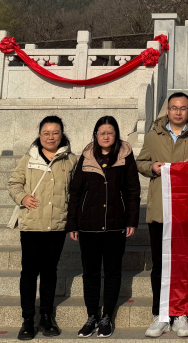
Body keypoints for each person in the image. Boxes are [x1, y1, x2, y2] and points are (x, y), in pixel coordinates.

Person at [138, 92, 188, 338]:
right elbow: (141, 162)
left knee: (183, 263)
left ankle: (180, 313)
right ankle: (160, 315)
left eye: (183, 108)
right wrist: (152, 167)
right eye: (174, 108)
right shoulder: (153, 135)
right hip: (160, 210)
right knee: (160, 264)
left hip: (186, 211)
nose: (178, 112)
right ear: (167, 111)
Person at [67, 116, 141, 338]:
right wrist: (72, 223)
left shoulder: (125, 156)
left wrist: (132, 220)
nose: (106, 136)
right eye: (102, 133)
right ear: (96, 135)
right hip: (88, 226)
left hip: (115, 225)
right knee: (90, 274)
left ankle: (107, 316)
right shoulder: (87, 156)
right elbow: (75, 192)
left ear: (116, 134)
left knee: (112, 272)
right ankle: (92, 316)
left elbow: (133, 190)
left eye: (110, 132)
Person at [7, 116, 78, 340]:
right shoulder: (29, 158)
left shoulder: (71, 160)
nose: (50, 137)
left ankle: (47, 317)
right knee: (29, 272)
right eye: (46, 133)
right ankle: (28, 319)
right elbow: (14, 183)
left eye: (55, 132)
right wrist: (22, 197)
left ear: (62, 134)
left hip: (56, 224)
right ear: (39, 135)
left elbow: (76, 192)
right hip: (31, 224)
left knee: (49, 271)